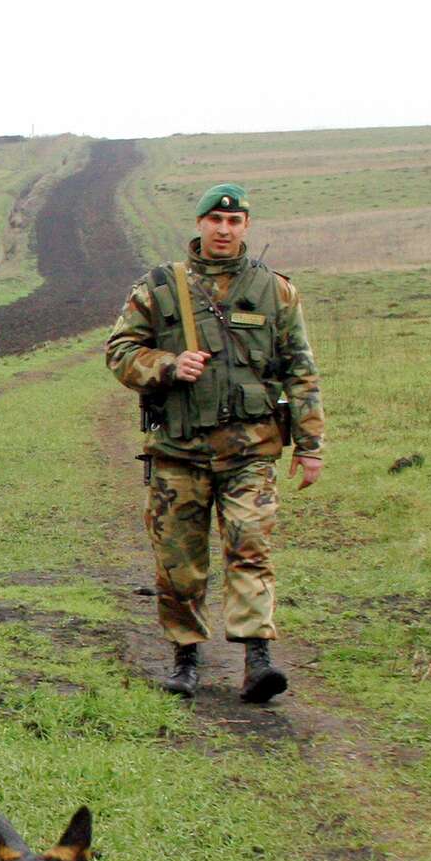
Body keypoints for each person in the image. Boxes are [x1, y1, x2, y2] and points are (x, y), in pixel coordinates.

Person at [105, 183, 326, 702]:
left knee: (250, 546)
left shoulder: (276, 291)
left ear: (246, 226)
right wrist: (166, 364)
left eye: (235, 221)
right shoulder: (159, 287)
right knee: (179, 558)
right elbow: (118, 351)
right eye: (215, 221)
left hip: (251, 450)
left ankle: (257, 657)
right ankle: (185, 656)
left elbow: (301, 369)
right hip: (179, 451)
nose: (224, 230)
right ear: (200, 224)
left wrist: (311, 445)